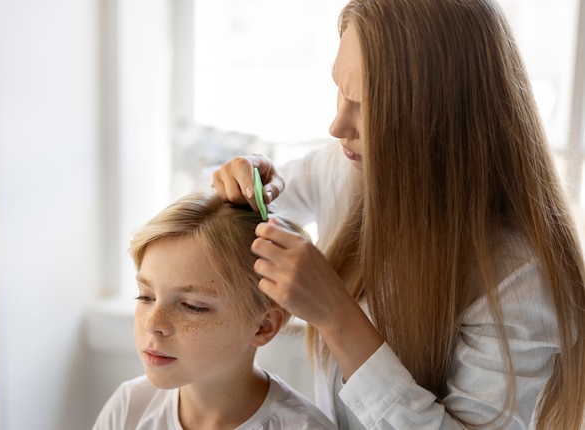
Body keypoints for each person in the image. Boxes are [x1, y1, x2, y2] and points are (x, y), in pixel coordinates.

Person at [211, 0, 585, 428]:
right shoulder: (345, 167)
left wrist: (336, 314)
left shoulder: (520, 278)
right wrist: (245, 179)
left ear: (440, 119)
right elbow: (244, 204)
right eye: (340, 91)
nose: (337, 126)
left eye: (366, 104)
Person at [92, 192, 336, 429]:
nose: (153, 323)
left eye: (192, 306)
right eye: (146, 296)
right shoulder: (129, 407)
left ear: (263, 326)